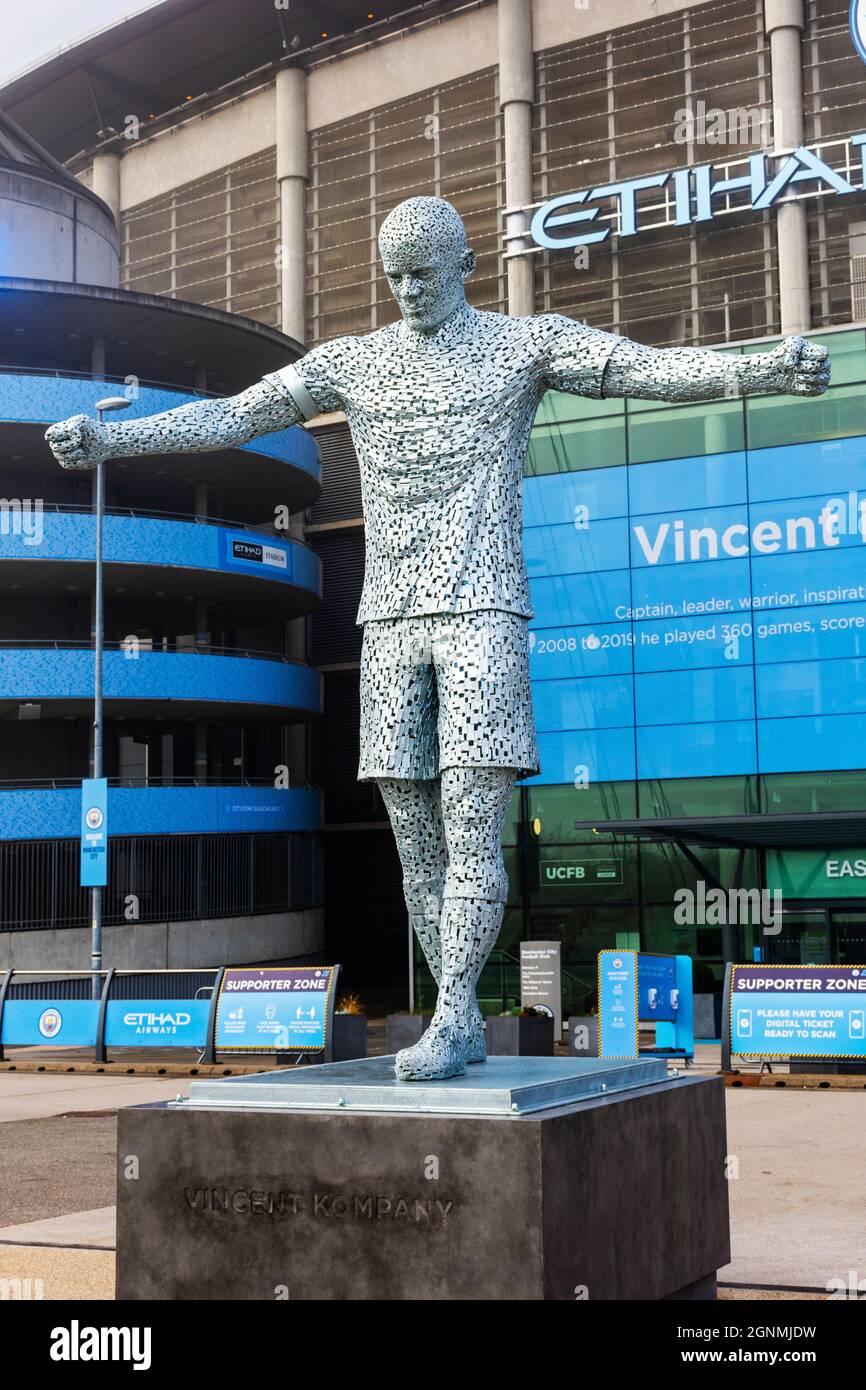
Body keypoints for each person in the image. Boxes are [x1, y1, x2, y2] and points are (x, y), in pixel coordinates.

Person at [46, 196, 830, 1081]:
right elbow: (234, 415)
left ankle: (456, 1012)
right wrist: (111, 440)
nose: (410, 291)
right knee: (414, 837)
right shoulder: (355, 362)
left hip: (483, 611)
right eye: (395, 277)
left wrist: (754, 372)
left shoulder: (521, 346)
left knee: (471, 823)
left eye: (424, 273)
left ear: (464, 266)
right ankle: (451, 1010)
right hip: (387, 619)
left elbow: (639, 367)